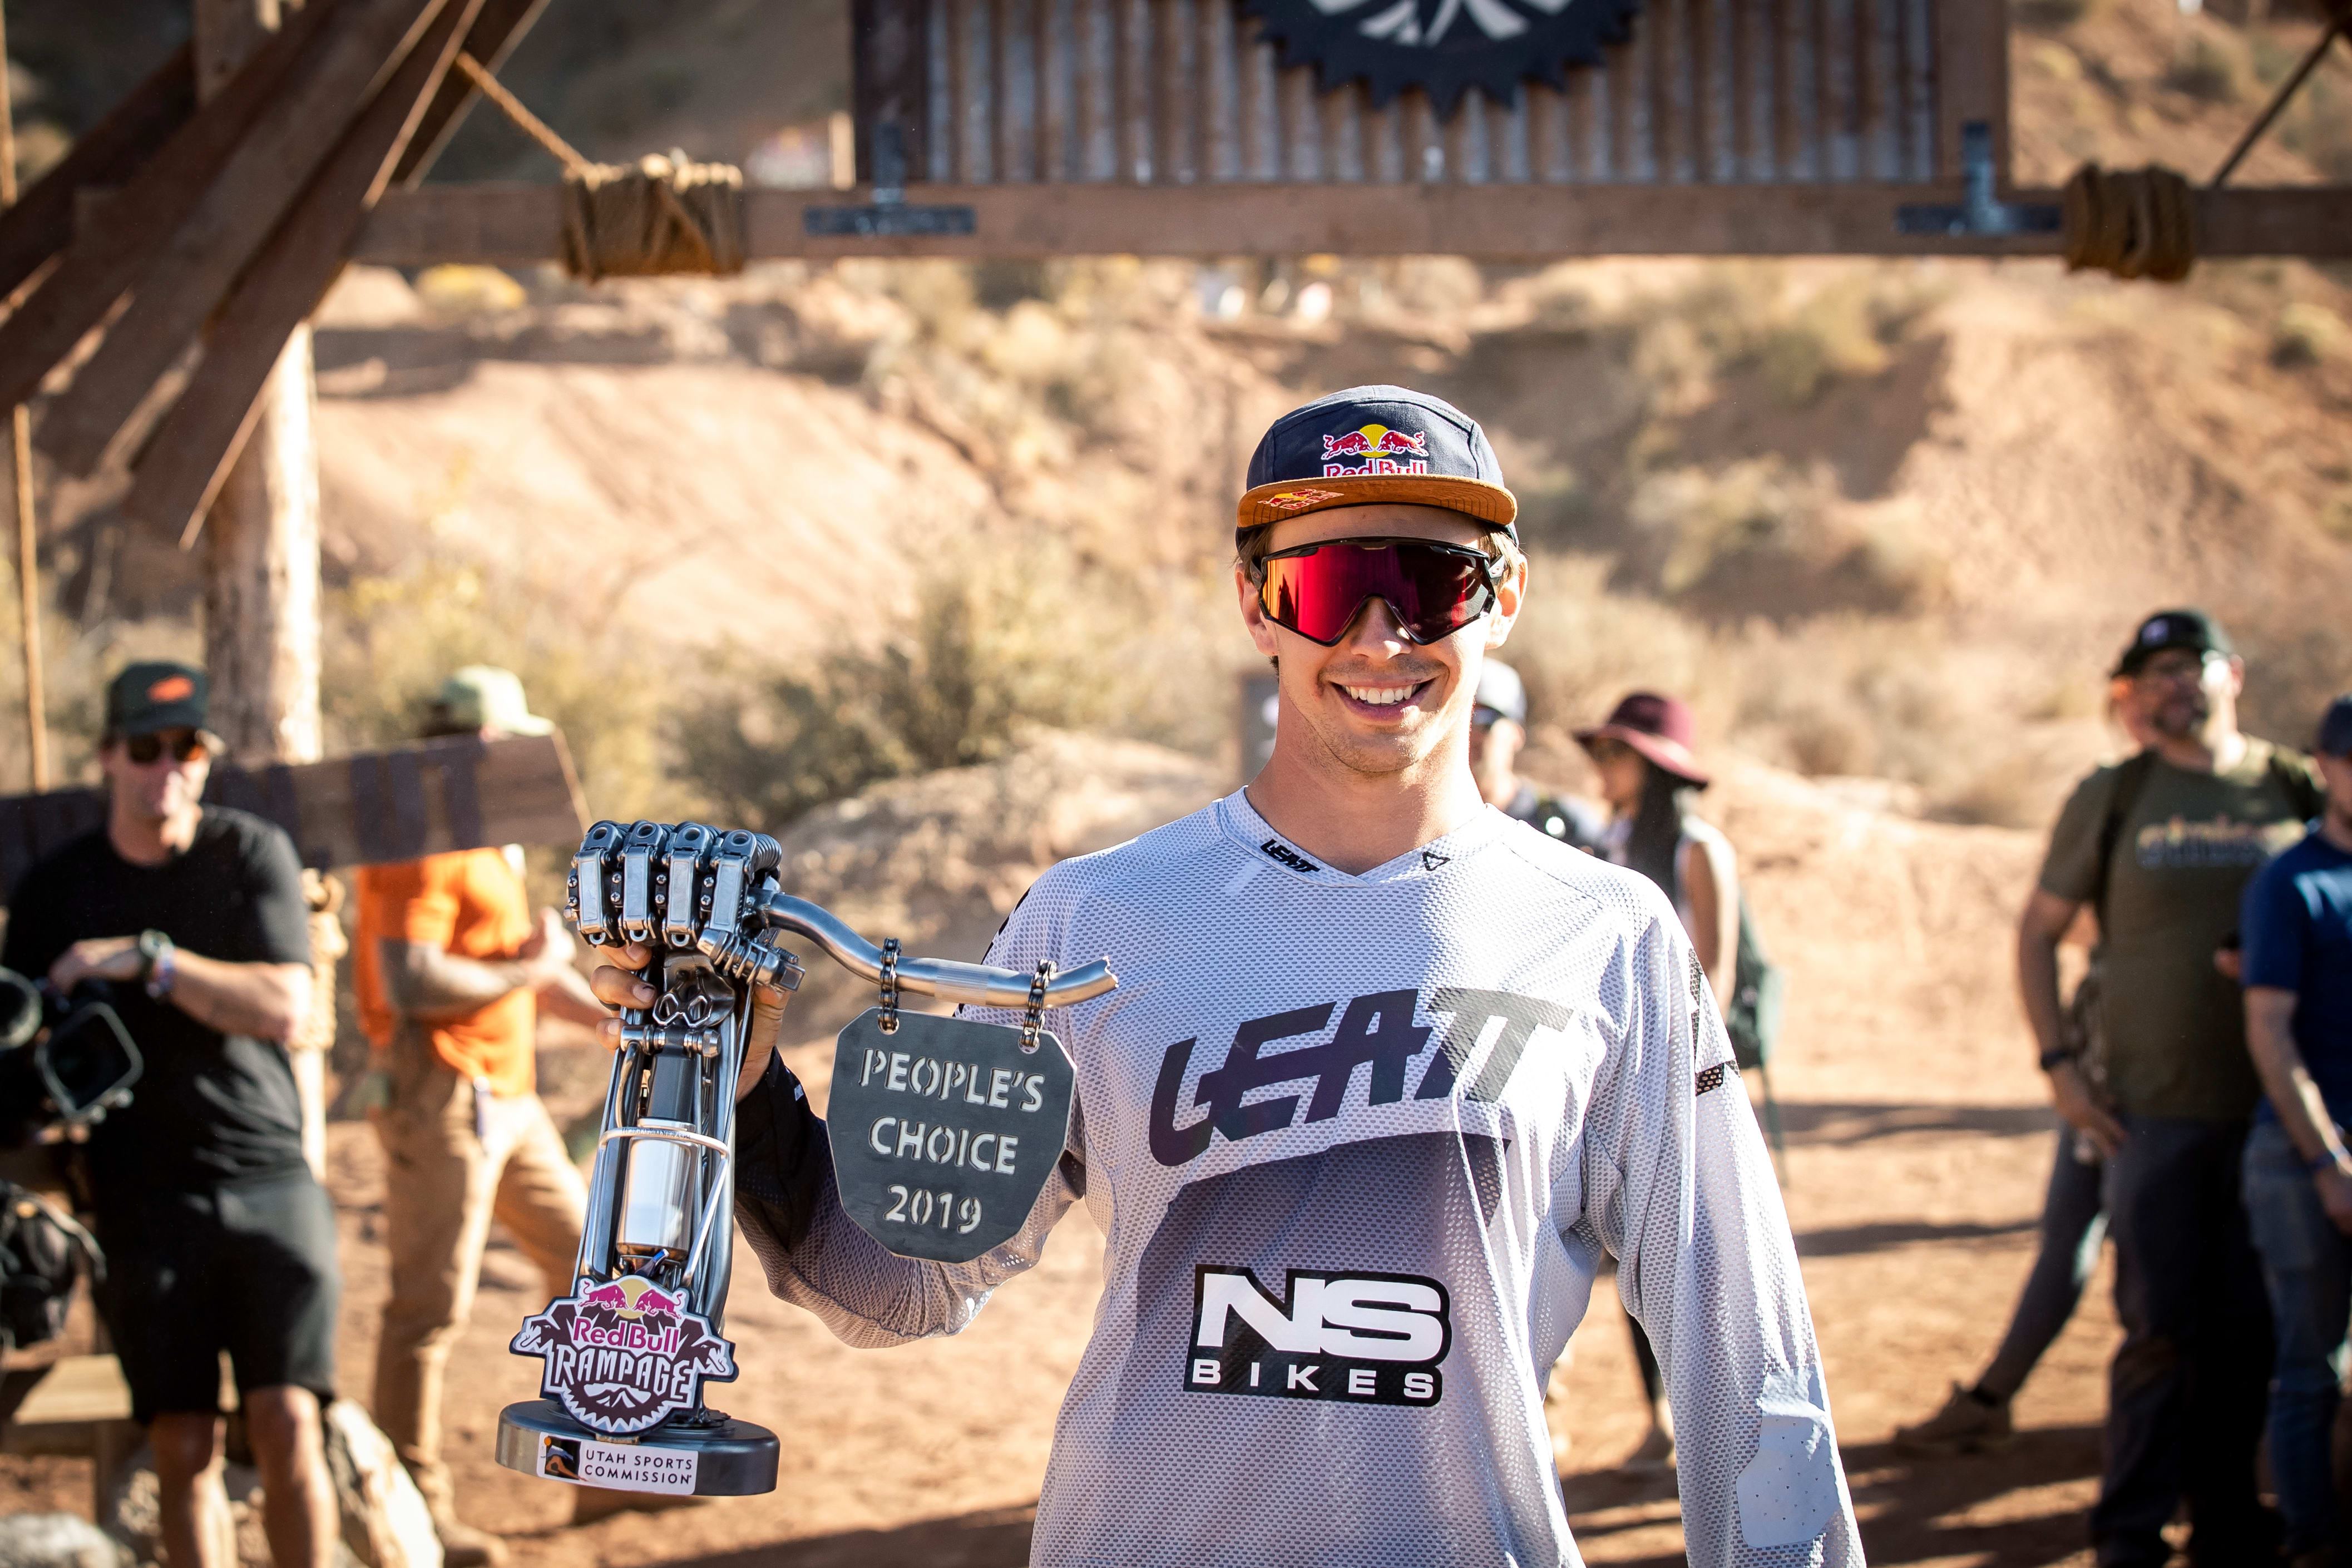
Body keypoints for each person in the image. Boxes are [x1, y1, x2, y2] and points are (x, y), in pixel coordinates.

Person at [591, 385, 1863, 1566]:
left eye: (1429, 583)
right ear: (1256, 604)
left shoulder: (1610, 936)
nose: (1379, 635)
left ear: (1503, 595)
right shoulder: (1091, 918)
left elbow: (1749, 1369)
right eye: (1328, 584)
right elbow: (897, 1282)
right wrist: (740, 1080)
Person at [0, 662, 338, 1568]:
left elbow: (285, 1004)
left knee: (289, 1418)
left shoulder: (248, 852)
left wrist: (147, 960)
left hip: (269, 1175)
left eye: (187, 747)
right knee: (183, 1441)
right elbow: (19, 1042)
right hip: (140, 1193)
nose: (168, 767)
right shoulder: (56, 889)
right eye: (146, 748)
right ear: (108, 755)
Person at [2020, 609, 2323, 1567]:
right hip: (2149, 1113)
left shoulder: (2291, 785)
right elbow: (2037, 931)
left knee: (2252, 1328)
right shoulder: (2115, 794)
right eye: (2148, 674)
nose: (2169, 685)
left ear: (2232, 672)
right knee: (2155, 1329)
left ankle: (2227, 1517)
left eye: (2187, 664)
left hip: (2275, 1114)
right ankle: (2130, 1529)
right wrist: (2059, 1067)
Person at [352, 667, 606, 1566]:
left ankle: (601, 1462)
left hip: (505, 1090)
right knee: (428, 1305)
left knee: (585, 1263)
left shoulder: (485, 835)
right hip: (442, 1091)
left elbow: (514, 966)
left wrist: (612, 1018)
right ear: (485, 744)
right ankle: (409, 1511)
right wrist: (535, 971)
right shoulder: (421, 834)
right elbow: (411, 979)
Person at [1896, 671, 2157, 1455]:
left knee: (2133, 1263)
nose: (2139, 713)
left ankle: (2007, 1396)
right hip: (2100, 1065)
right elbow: (2057, 920)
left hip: (2155, 1078)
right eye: (2128, 698)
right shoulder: (2114, 796)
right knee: (2069, 1232)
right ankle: (1994, 1393)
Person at [1577, 690, 1740, 1473]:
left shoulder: (1700, 849)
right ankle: (1664, 1420)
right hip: (1611, 1080)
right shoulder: (1606, 842)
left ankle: (1718, 1419)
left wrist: (1682, 1081)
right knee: (1631, 1264)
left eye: (1615, 753)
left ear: (1654, 767)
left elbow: (1718, 974)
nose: (1600, 766)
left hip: (1678, 1085)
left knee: (1691, 1262)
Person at [2237, 694, 2352, 1568]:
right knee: (2311, 1368)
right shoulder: (2291, 881)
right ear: (2323, 767)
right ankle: (2311, 1540)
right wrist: (2328, 1159)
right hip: (2301, 1157)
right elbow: (2269, 1030)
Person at [1466, 658, 1602, 849]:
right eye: (1463, 720)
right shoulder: (1431, 824)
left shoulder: (1563, 825)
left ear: (1517, 735)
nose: (1471, 732)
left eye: (1486, 720)